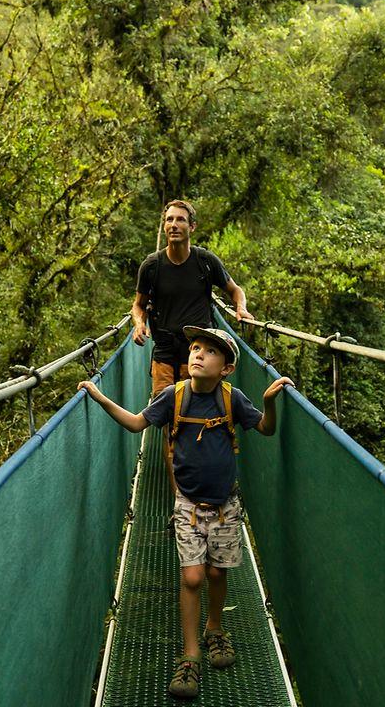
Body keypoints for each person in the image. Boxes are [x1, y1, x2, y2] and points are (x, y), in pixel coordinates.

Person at [79, 326, 293, 700]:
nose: (198, 354)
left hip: (225, 504)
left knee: (216, 571)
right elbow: (135, 423)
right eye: (195, 348)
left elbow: (266, 428)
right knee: (193, 577)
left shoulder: (233, 398)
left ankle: (215, 627)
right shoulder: (173, 396)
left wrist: (269, 400)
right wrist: (99, 397)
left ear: (226, 368)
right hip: (188, 505)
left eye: (210, 351)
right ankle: (191, 653)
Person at [131, 199, 254, 495]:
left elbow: (235, 290)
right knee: (168, 421)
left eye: (180, 220)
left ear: (192, 227)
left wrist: (241, 308)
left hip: (198, 351)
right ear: (164, 225)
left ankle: (201, 482)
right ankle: (179, 497)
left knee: (193, 418)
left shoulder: (205, 262)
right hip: (163, 351)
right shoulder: (152, 266)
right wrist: (139, 323)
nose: (174, 225)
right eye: (169, 220)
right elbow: (138, 305)